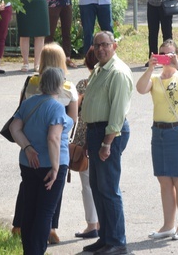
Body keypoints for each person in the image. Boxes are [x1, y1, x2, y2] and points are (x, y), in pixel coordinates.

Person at [11, 43, 79, 244]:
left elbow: (16, 125)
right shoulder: (66, 92)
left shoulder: (30, 86)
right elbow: (61, 130)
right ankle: (46, 236)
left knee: (29, 201)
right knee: (47, 209)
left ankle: (19, 229)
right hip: (52, 158)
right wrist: (58, 165)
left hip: (28, 155)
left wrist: (28, 146)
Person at [136, 40, 178, 241]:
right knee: (164, 180)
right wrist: (150, 67)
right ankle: (168, 225)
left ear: (177, 55)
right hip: (159, 133)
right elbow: (140, 88)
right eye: (163, 53)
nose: (167, 57)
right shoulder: (155, 79)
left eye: (170, 54)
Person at [80, 31, 133, 255]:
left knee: (109, 189)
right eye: (97, 45)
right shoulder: (100, 69)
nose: (101, 49)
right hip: (96, 132)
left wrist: (106, 142)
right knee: (98, 188)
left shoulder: (118, 72)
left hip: (109, 133)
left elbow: (118, 113)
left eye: (105, 45)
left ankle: (117, 241)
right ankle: (105, 237)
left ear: (114, 46)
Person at [71, 47, 100, 240]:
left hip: (84, 137)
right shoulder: (107, 82)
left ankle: (92, 224)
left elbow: (74, 113)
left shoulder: (83, 84)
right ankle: (100, 221)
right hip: (105, 136)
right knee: (102, 183)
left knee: (88, 184)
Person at [46, 0, 78, 68]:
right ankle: (48, 59)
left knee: (67, 31)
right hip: (53, 3)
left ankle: (67, 58)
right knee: (50, 32)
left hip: (67, 2)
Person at [17, 0, 50, 73]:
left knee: (40, 34)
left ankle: (37, 64)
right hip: (25, 1)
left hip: (40, 2)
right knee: (24, 33)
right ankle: (25, 63)